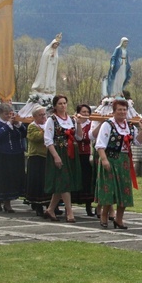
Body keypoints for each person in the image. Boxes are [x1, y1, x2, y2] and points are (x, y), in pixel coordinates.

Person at [95, 98, 142, 228]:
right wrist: (104, 159)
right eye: (120, 110)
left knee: (125, 190)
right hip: (110, 158)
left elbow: (138, 143)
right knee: (109, 189)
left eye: (124, 109)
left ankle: (119, 219)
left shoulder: (129, 126)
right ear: (114, 111)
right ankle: (104, 215)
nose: (122, 112)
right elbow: (100, 144)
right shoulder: (108, 124)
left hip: (124, 161)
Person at [43, 94, 85, 223]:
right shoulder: (52, 120)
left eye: (64, 103)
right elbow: (48, 140)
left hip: (70, 153)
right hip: (59, 151)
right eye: (60, 103)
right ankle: (70, 212)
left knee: (62, 183)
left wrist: (78, 124)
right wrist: (56, 156)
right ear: (55, 106)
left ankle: (50, 209)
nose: (63, 105)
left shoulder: (71, 119)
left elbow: (79, 137)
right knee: (64, 182)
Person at [0, 103, 27, 212]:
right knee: (3, 180)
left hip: (16, 154)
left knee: (12, 179)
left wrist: (19, 124)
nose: (9, 116)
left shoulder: (14, 123)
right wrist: (8, 125)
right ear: (0, 113)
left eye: (10, 113)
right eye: (6, 114)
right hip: (2, 156)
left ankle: (8, 202)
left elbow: (24, 134)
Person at [24, 106, 51, 216]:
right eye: (40, 115)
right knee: (37, 182)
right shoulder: (32, 127)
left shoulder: (47, 125)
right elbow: (36, 138)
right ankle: (38, 205)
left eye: (44, 114)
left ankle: (50, 205)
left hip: (47, 157)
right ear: (34, 117)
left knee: (47, 182)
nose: (43, 117)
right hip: (36, 157)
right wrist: (48, 129)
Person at [72, 104, 96, 217]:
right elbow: (78, 137)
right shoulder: (75, 123)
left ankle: (88, 206)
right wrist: (78, 123)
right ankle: (70, 206)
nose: (86, 114)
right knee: (76, 179)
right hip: (76, 155)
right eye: (83, 112)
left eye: (87, 112)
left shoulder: (91, 125)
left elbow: (89, 138)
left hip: (87, 155)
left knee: (87, 181)